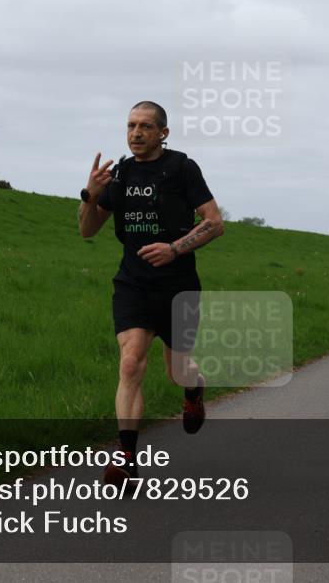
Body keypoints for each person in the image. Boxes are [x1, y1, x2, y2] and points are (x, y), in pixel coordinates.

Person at [77, 101, 224, 486]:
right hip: (134, 284)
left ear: (163, 133)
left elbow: (214, 222)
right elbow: (87, 230)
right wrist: (90, 195)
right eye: (131, 126)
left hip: (178, 287)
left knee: (178, 371)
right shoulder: (120, 175)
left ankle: (194, 388)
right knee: (130, 363)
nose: (136, 133)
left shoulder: (182, 168)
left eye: (145, 126)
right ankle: (127, 460)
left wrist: (174, 248)